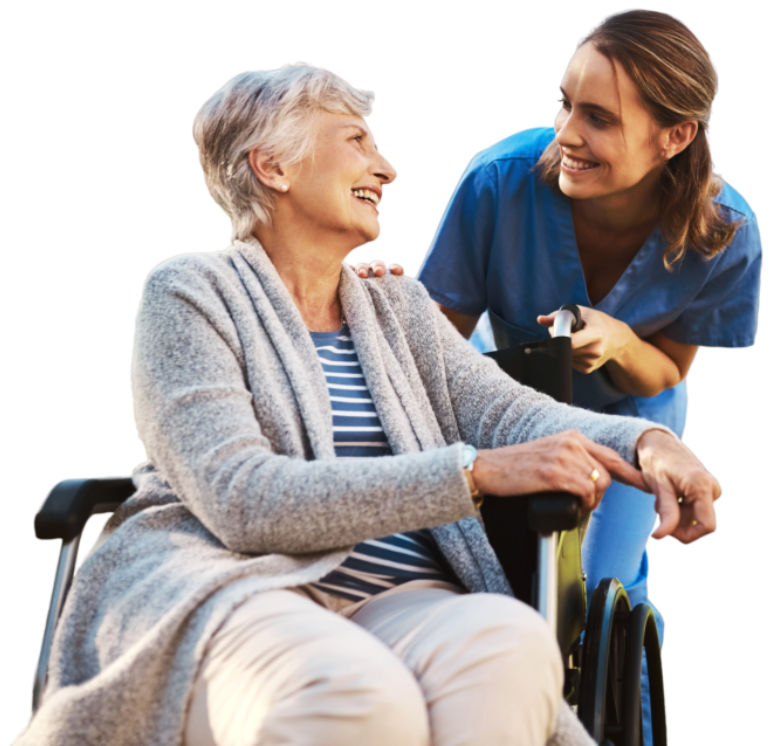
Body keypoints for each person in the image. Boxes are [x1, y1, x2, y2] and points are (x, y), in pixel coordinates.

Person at [15, 62, 722, 746]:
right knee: (355, 695)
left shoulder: (393, 306)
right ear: (274, 167)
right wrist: (472, 475)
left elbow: (511, 414)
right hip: (237, 588)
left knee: (509, 651)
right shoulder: (191, 293)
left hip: (403, 597)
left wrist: (644, 444)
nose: (386, 169)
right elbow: (241, 499)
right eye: (356, 141)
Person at [355, 11, 760, 744]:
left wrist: (618, 340)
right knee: (494, 581)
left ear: (677, 136)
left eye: (599, 117)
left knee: (600, 595)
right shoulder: (499, 180)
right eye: (564, 103)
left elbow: (668, 367)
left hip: (639, 408)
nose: (567, 133)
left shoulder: (726, 233)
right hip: (500, 395)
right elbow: (432, 347)